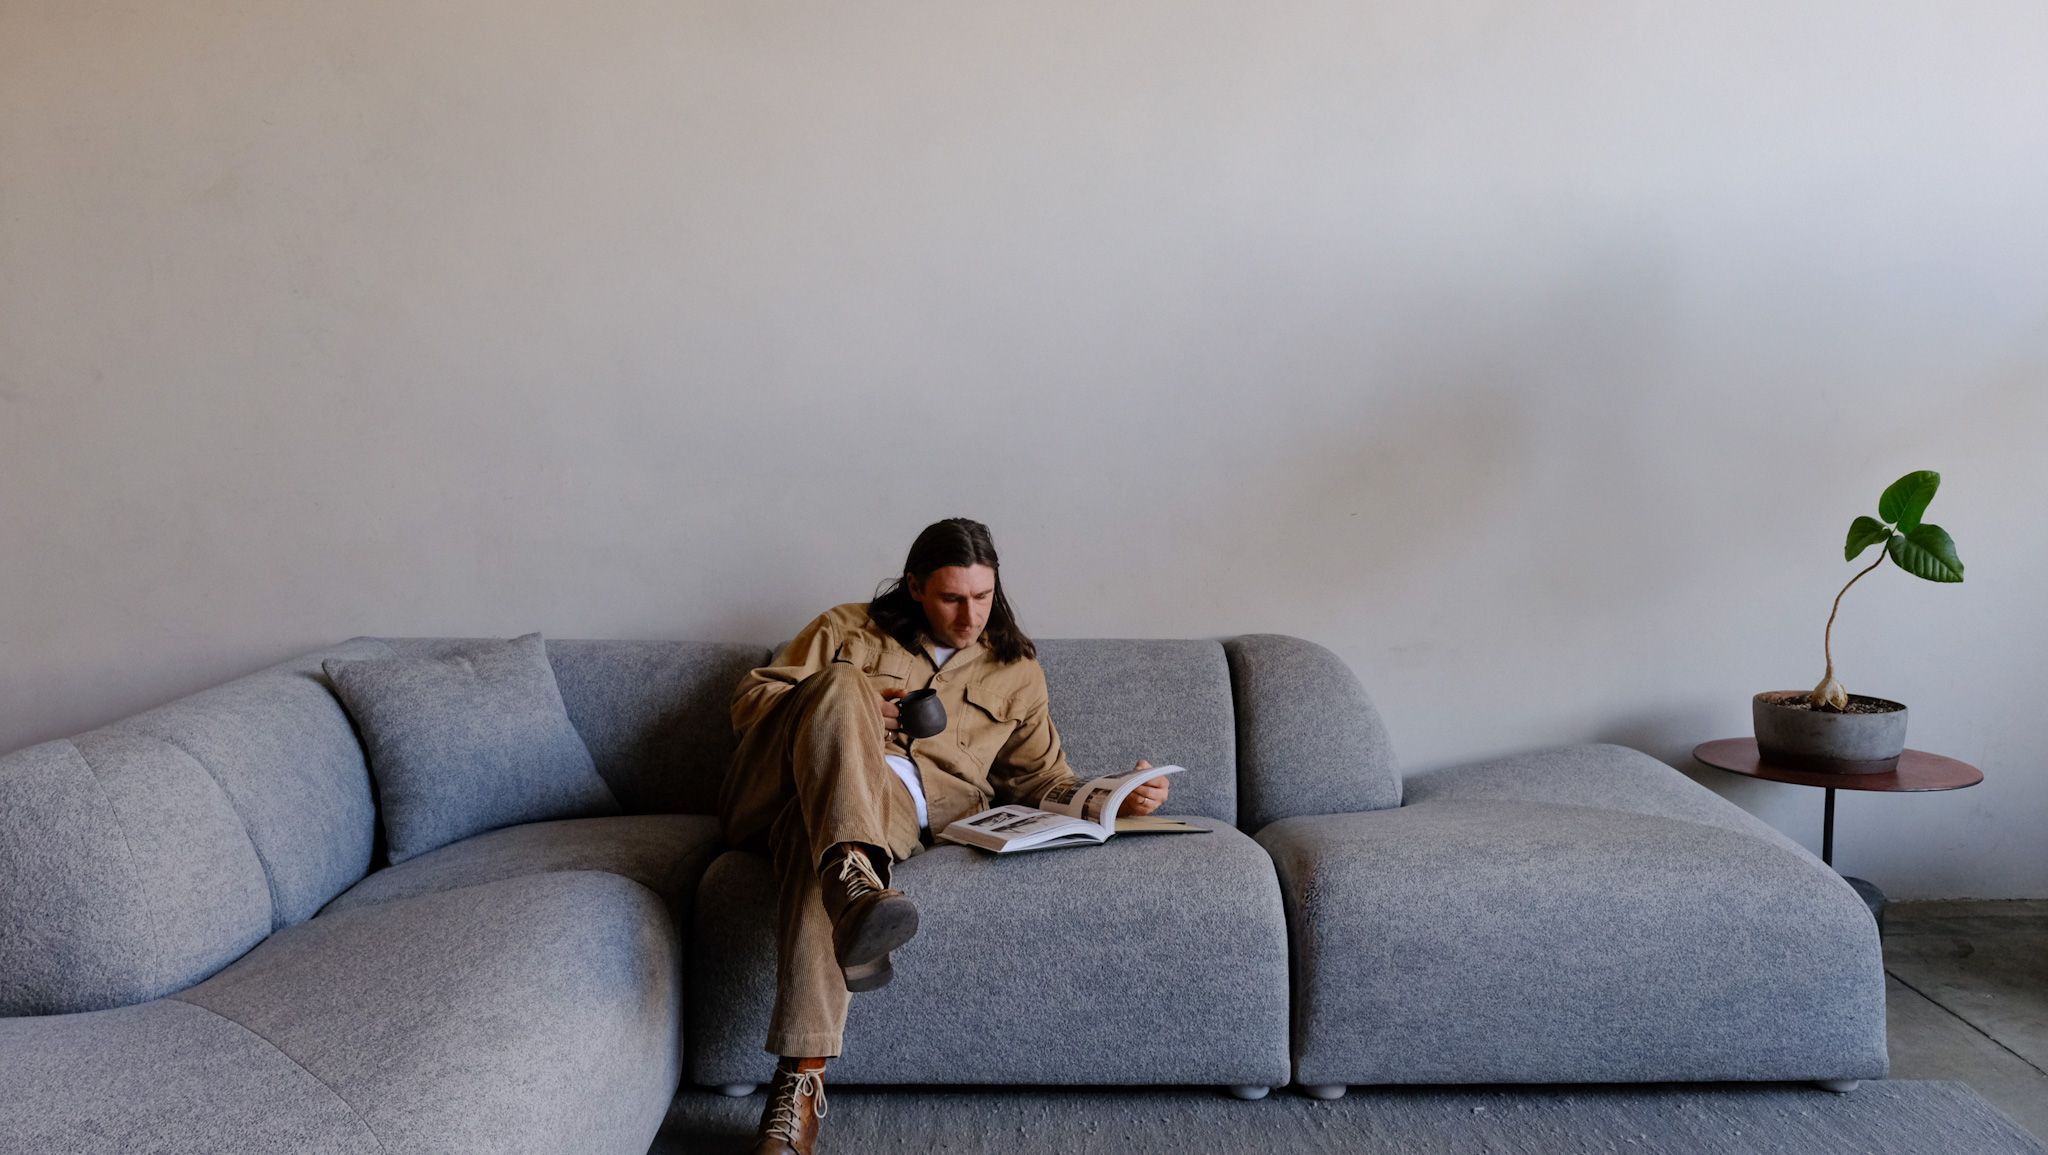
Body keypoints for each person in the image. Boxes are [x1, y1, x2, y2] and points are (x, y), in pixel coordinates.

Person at [717, 518, 1169, 1155]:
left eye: (983, 597)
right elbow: (749, 707)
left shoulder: (1016, 670)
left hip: (892, 810)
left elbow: (1041, 777)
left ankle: (802, 1075)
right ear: (915, 587)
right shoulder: (845, 628)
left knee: (808, 836)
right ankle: (852, 879)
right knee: (842, 685)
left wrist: (1120, 796)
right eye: (953, 598)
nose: (970, 615)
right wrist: (842, 705)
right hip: (775, 788)